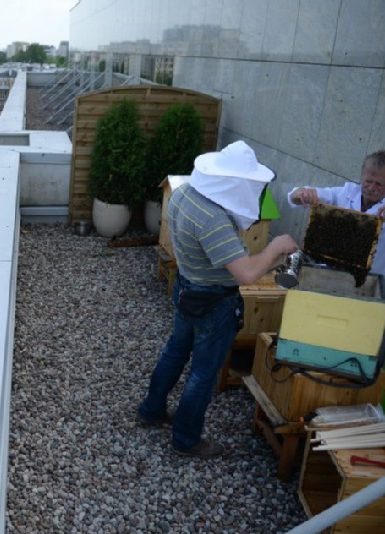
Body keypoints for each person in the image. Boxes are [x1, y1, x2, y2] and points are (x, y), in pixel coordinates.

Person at [137, 141, 299, 459]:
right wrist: (276, 246)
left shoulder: (184, 194)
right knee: (203, 373)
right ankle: (186, 439)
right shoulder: (213, 220)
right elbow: (247, 274)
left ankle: (151, 410)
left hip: (186, 287)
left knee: (175, 350)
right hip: (212, 303)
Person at [287, 150, 385, 275]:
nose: (371, 188)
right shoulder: (345, 193)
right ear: (362, 176)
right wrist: (302, 193)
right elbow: (293, 196)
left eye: (378, 184)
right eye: (368, 181)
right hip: (327, 272)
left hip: (369, 280)